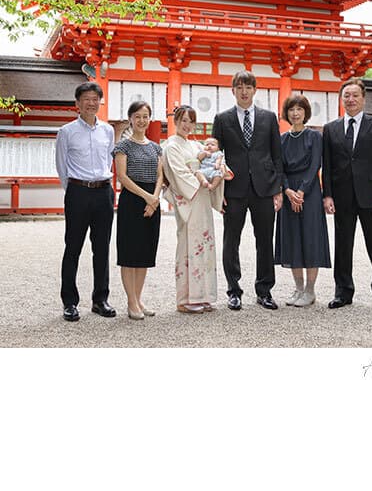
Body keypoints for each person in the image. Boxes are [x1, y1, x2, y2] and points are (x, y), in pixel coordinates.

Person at [321, 77, 372, 311]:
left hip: (371, 194)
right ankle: (343, 292)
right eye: (346, 95)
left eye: (355, 95)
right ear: (341, 99)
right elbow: (327, 164)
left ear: (363, 98)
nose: (351, 99)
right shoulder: (331, 128)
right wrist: (327, 195)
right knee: (343, 245)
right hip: (342, 194)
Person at [212, 70, 284, 311]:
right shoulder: (222, 119)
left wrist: (278, 188)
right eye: (240, 87)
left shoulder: (269, 117)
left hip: (264, 187)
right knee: (231, 240)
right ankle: (234, 290)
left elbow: (277, 155)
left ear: (255, 90)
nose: (244, 91)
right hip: (234, 189)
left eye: (248, 87)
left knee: (264, 240)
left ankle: (264, 291)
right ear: (233, 90)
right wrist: (218, 192)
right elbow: (216, 157)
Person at [55, 81, 116, 322]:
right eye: (86, 99)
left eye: (95, 99)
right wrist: (73, 190)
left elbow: (108, 161)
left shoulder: (108, 131)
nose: (91, 103)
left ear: (100, 102)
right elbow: (61, 166)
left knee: (102, 248)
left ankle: (100, 299)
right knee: (73, 247)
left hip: (103, 192)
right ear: (77, 104)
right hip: (78, 192)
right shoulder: (66, 131)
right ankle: (70, 302)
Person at [161, 106, 223, 313]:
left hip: (202, 200)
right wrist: (200, 179)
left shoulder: (196, 144)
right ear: (176, 121)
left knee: (205, 246)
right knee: (189, 246)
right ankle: (185, 299)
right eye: (183, 120)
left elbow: (212, 163)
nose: (187, 125)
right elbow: (179, 174)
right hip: (190, 200)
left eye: (191, 121)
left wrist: (217, 174)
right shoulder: (171, 146)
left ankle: (203, 296)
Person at [274, 94, 331, 307]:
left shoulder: (315, 136)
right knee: (292, 239)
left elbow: (315, 164)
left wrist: (301, 191)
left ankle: (310, 290)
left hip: (310, 191)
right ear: (286, 113)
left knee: (310, 237)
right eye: (291, 109)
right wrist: (288, 190)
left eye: (299, 109)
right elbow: (279, 167)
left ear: (305, 112)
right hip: (289, 191)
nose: (295, 113)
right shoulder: (282, 139)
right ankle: (298, 288)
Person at [112, 100, 164, 321]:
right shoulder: (123, 146)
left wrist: (154, 199)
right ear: (130, 119)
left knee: (144, 253)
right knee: (129, 253)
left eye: (145, 116)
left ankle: (139, 298)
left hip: (152, 202)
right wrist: (147, 197)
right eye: (137, 117)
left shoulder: (156, 147)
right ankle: (131, 301)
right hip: (132, 201)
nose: (142, 120)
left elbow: (160, 175)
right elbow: (122, 177)